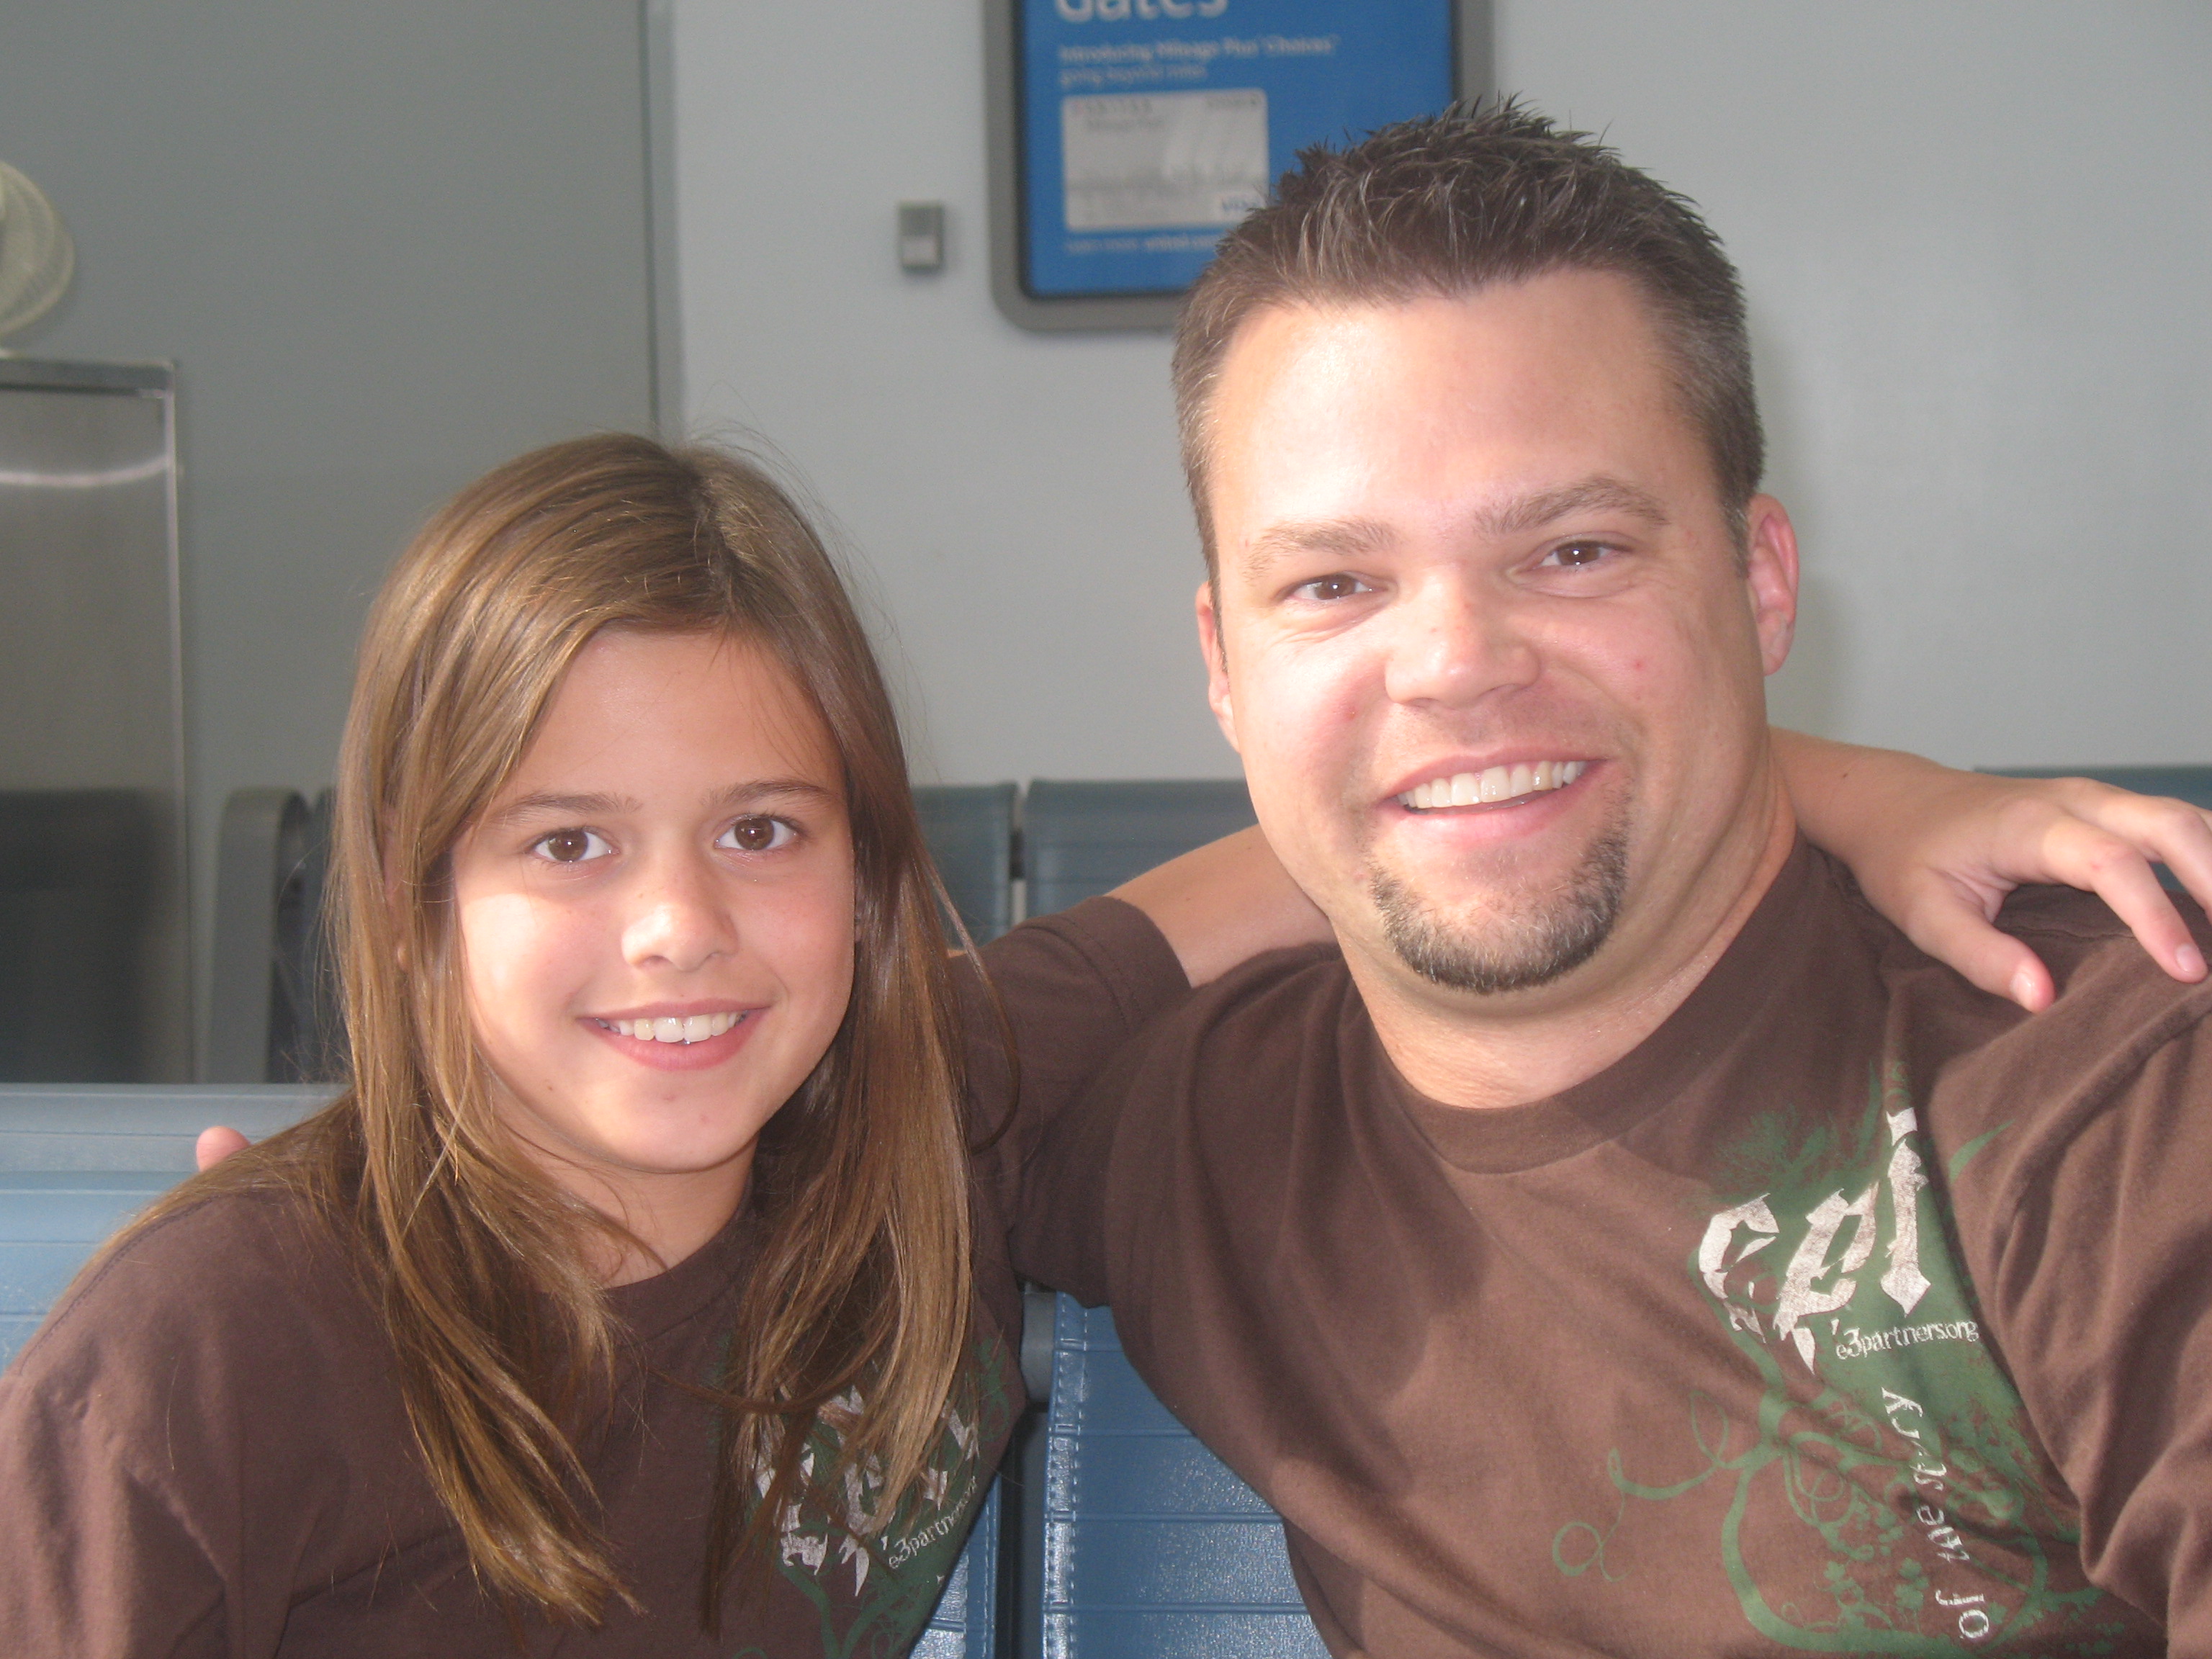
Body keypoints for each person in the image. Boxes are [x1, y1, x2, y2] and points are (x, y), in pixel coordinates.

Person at [973, 103, 2212, 1655]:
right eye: (1335, 582)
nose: (1454, 663)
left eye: (1573, 551)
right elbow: (857, 1091)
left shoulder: (2102, 1070)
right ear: (1226, 663)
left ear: (1760, 582)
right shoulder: (1195, 1134)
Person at [0, 436, 1040, 1655]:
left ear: (865, 873)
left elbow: (1173, 934)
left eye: (760, 831)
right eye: (568, 844)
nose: (680, 929)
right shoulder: (196, 1364)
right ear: (411, 898)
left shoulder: (930, 1158)